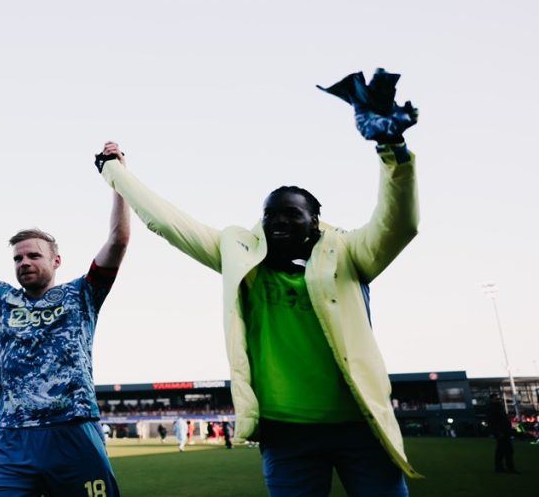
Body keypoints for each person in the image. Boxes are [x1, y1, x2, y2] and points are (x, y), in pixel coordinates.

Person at [95, 69, 421, 496]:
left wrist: (392, 150)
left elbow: (398, 224)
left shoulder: (349, 253)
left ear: (314, 222)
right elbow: (168, 222)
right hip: (286, 434)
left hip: (362, 424)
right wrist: (114, 172)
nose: (280, 222)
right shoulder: (238, 253)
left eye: (292, 215)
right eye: (272, 214)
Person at [0, 158, 130, 496]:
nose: (24, 263)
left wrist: (118, 176)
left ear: (56, 260)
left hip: (73, 428)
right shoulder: (0, 297)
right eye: (18, 258)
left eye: (33, 256)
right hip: (14, 437)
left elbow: (119, 239)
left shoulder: (82, 293)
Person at [487, 393, 517, 473]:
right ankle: (508, 468)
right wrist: (499, 432)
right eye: (496, 398)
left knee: (502, 450)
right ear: (492, 399)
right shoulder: (493, 408)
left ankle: (500, 467)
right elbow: (493, 422)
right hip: (502, 432)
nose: (498, 399)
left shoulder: (497, 407)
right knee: (506, 450)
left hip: (504, 431)